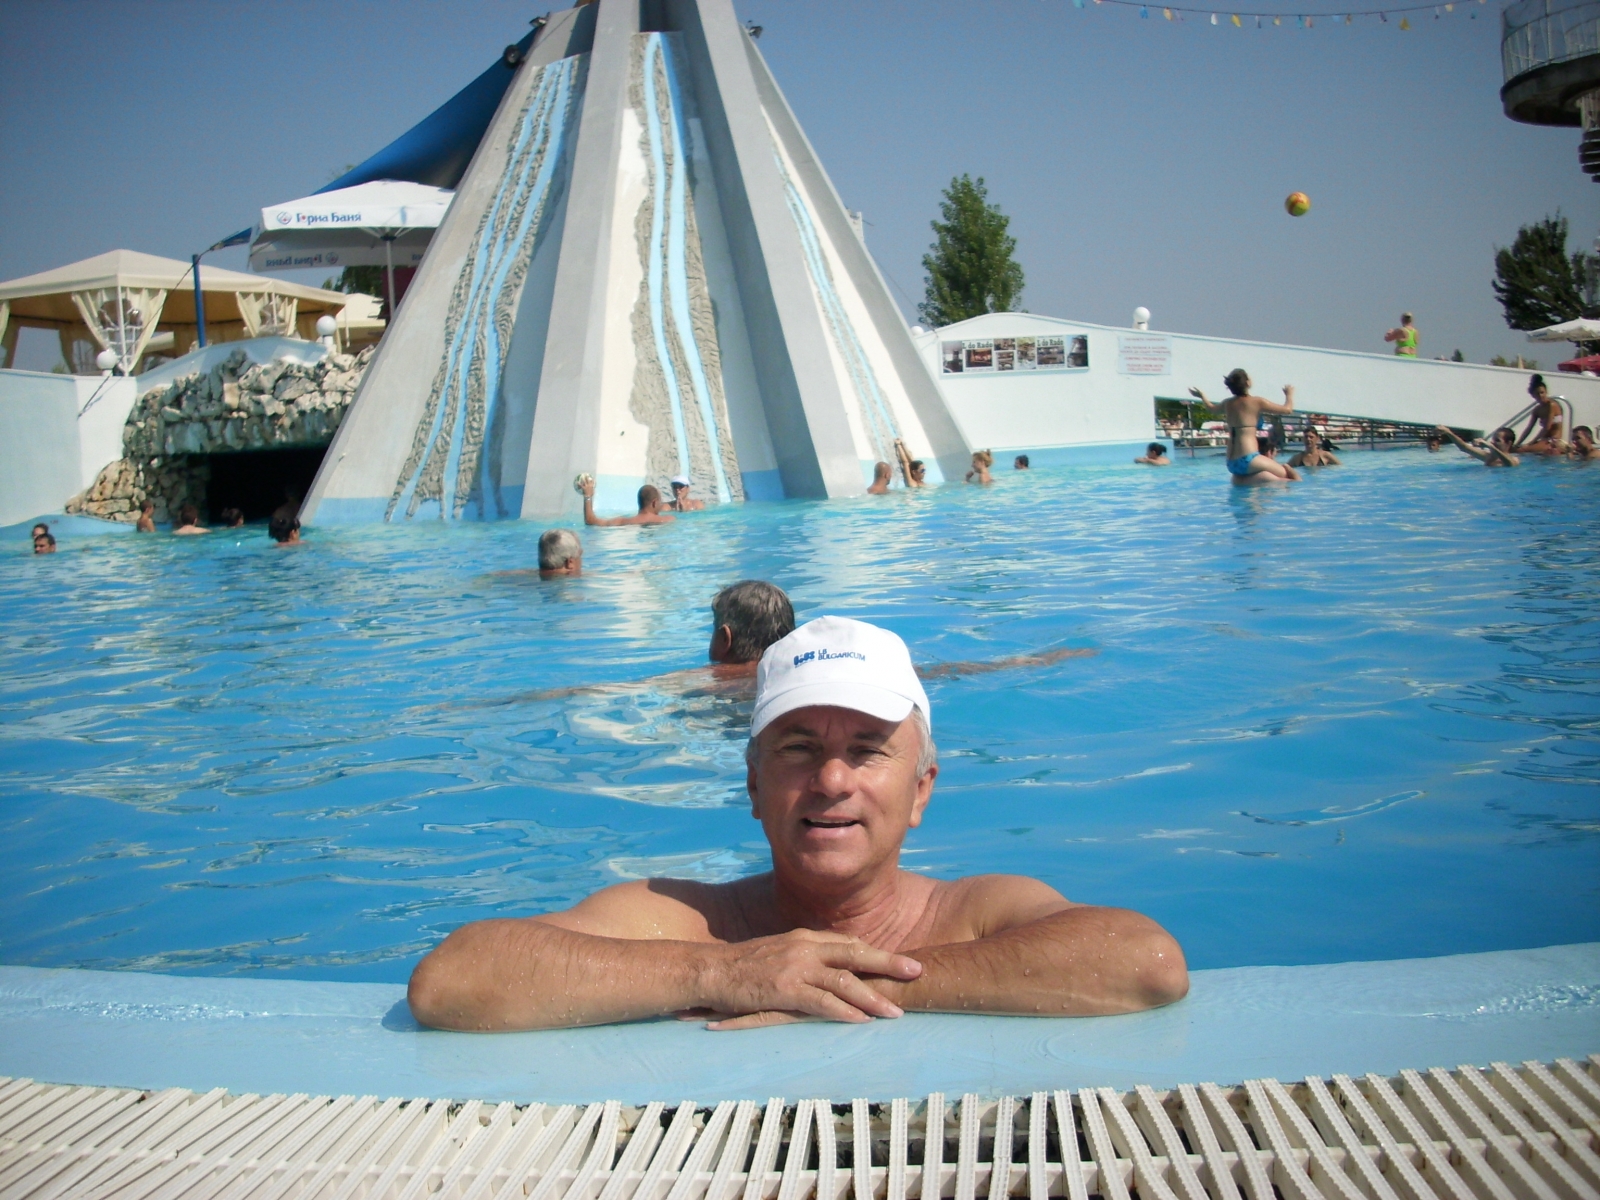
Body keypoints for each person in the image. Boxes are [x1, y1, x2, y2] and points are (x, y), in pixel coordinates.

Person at [406, 616, 1188, 1031]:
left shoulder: (975, 915)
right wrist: (722, 975)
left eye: (868, 751)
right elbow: (453, 981)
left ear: (921, 791)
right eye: (799, 748)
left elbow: (1143, 962)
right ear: (754, 785)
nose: (833, 780)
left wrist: (840, 984)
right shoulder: (686, 923)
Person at [1188, 371, 1301, 483]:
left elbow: (1211, 408)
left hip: (1231, 463)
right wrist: (1289, 395)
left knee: (1266, 478)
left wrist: (1202, 396)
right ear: (1247, 383)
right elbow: (1288, 409)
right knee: (1289, 474)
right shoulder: (1257, 401)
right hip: (1249, 458)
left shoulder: (1227, 403)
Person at [582, 478, 674, 527]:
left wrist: (588, 496)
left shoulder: (622, 521)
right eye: (660, 502)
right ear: (654, 503)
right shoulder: (667, 519)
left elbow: (590, 521)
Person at [1514, 375, 1566, 454]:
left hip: (1554, 441)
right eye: (1537, 394)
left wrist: (1531, 443)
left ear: (1546, 392)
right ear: (1533, 395)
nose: (1541, 395)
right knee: (1516, 449)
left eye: (1542, 393)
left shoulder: (1551, 405)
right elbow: (1529, 428)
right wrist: (1517, 443)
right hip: (1544, 440)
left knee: (1522, 450)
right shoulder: (1537, 410)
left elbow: (1547, 428)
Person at [1435, 425, 1519, 467]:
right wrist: (1449, 432)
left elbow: (1509, 464)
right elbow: (1464, 447)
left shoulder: (1515, 459)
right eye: (1493, 440)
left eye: (1497, 440)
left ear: (1509, 443)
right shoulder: (1488, 456)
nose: (1493, 442)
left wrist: (1490, 446)